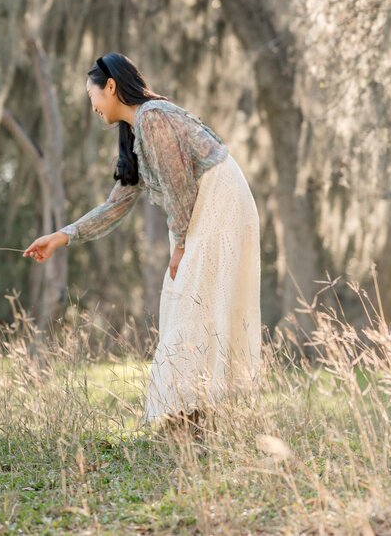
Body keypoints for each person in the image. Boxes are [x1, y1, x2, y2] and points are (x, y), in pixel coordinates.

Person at [23, 53, 260, 433]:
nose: (93, 106)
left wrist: (181, 246)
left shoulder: (152, 117)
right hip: (200, 208)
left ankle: (190, 417)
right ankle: (189, 416)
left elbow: (181, 185)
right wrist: (62, 236)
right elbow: (118, 202)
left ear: (112, 87)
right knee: (187, 307)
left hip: (218, 200)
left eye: (93, 96)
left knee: (193, 305)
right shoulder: (137, 130)